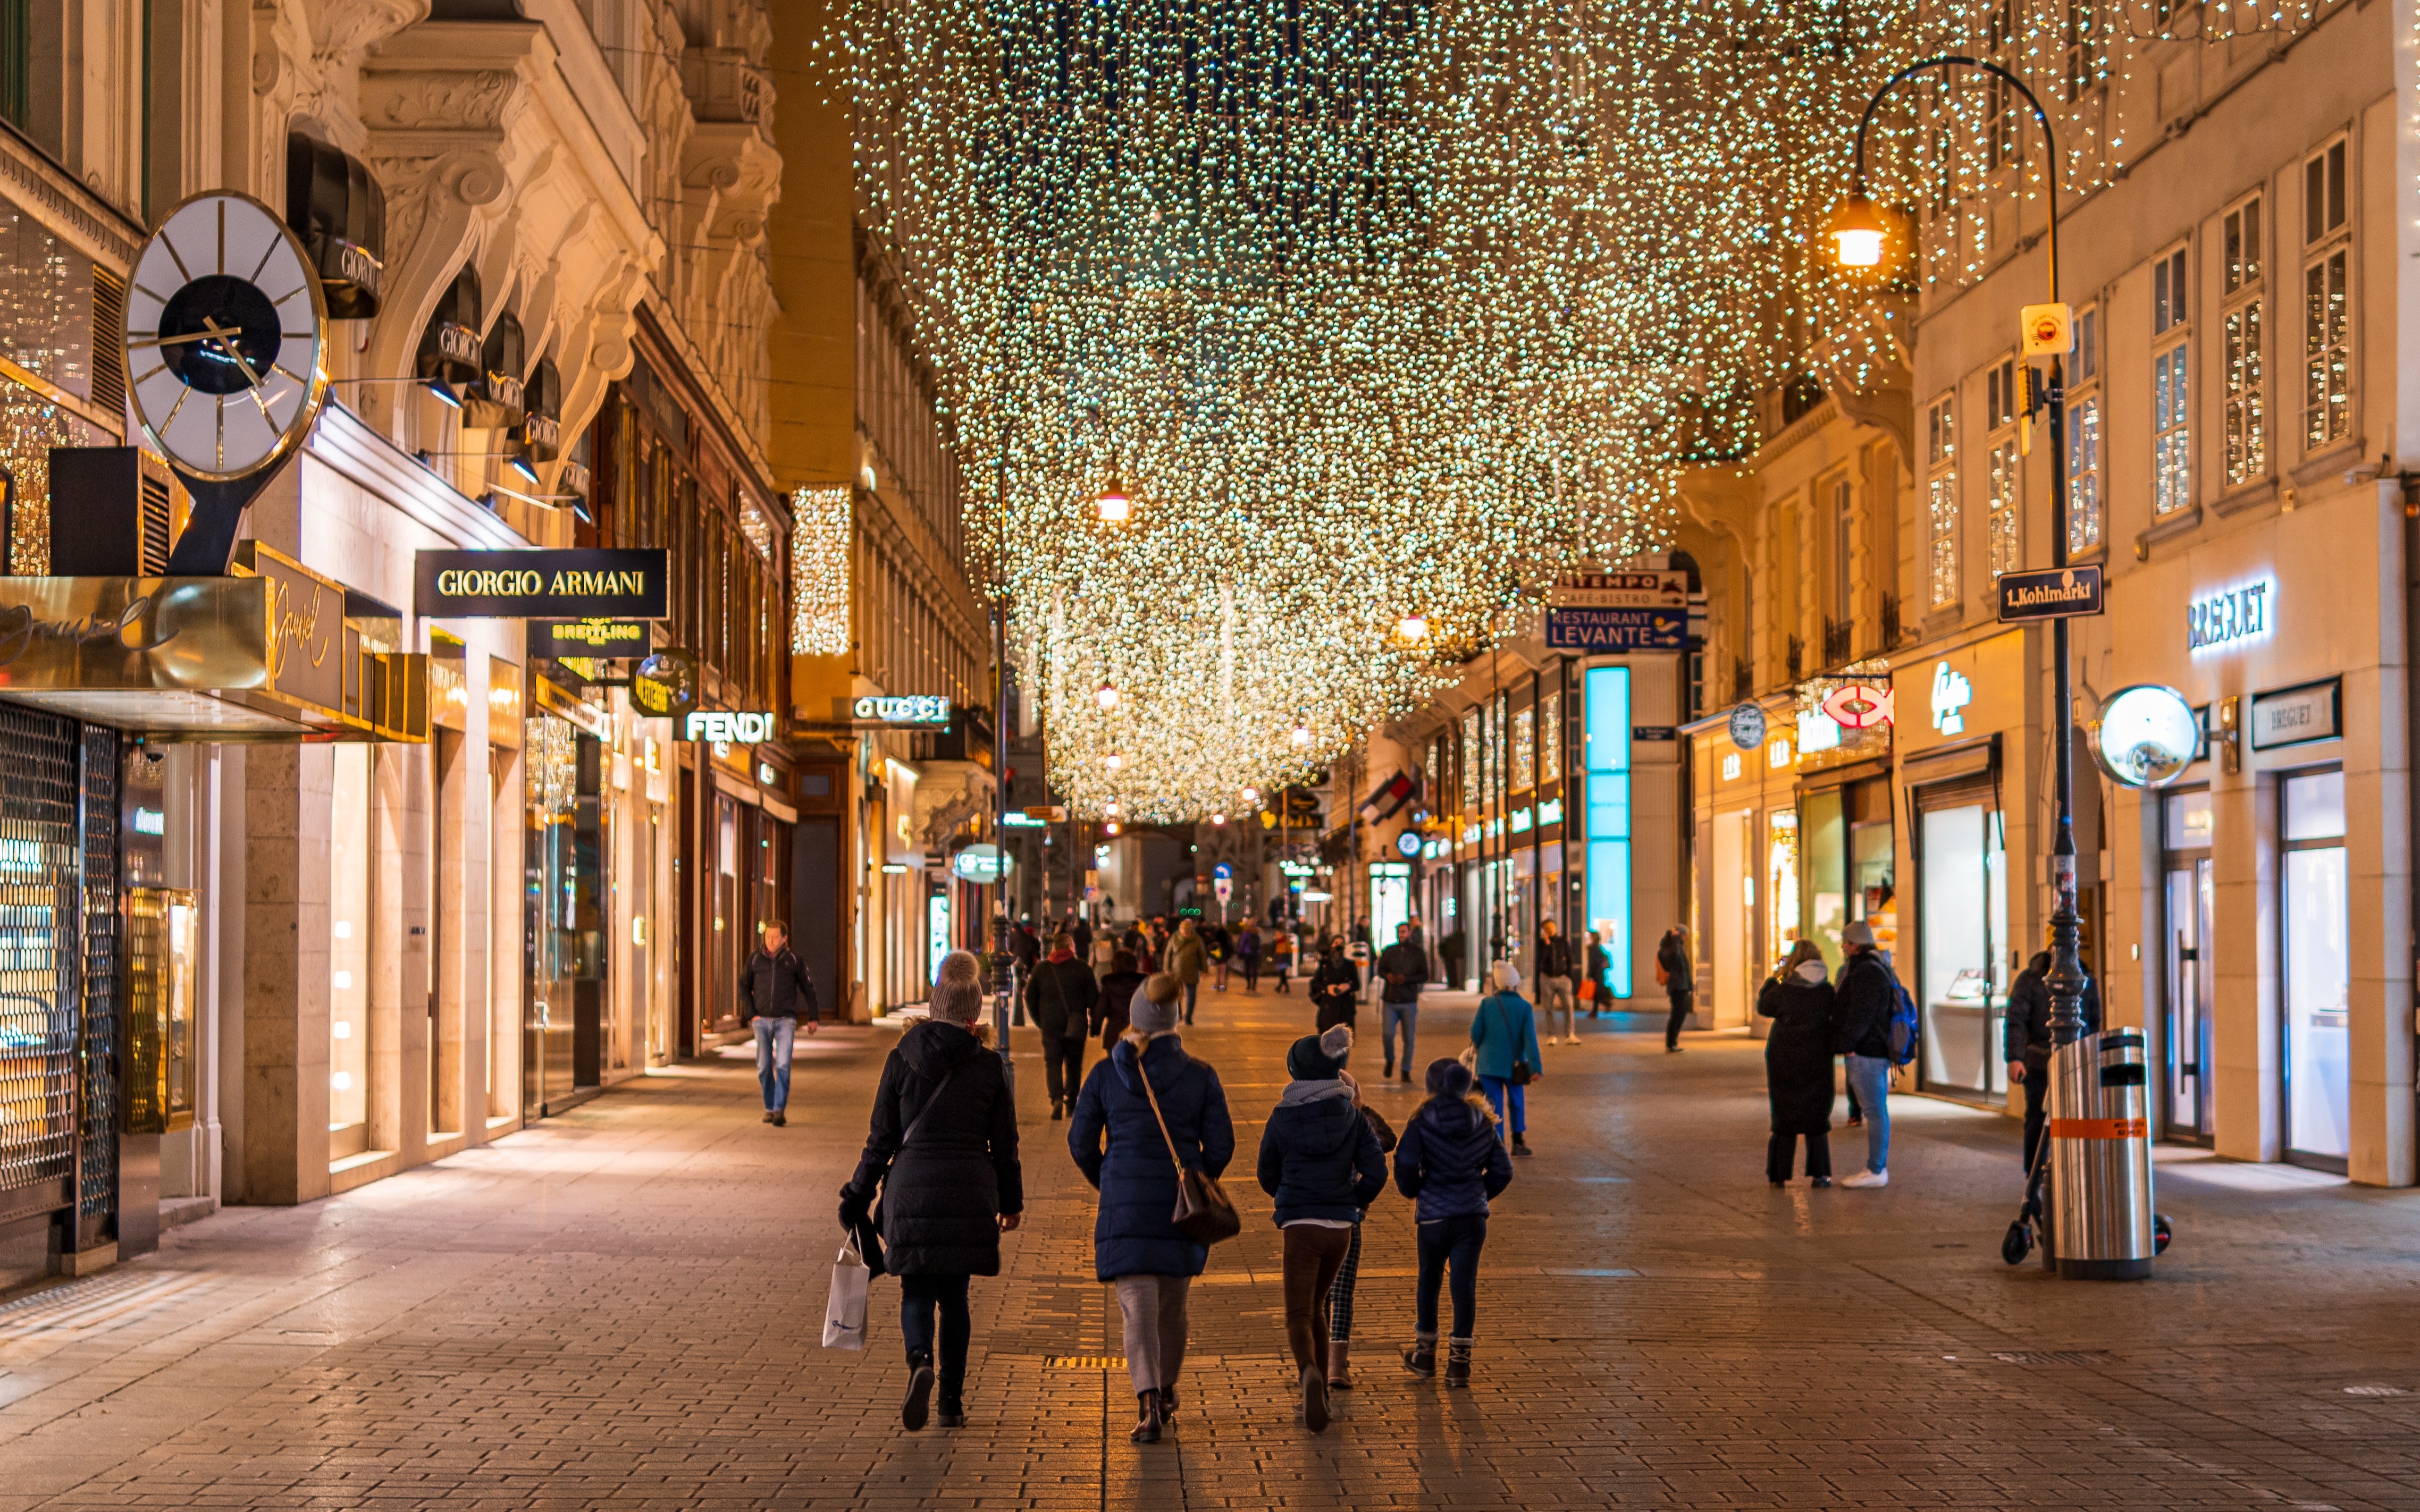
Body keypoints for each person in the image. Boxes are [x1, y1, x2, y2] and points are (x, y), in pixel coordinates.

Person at [839, 951, 1022, 1432]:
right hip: (968, 1192)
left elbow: (880, 1138)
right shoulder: (989, 1067)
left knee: (916, 1288)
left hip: (912, 1192)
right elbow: (1005, 1144)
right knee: (955, 1298)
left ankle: (919, 1358)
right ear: (974, 1012)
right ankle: (951, 1404)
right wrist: (1012, 1202)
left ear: (934, 1003)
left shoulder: (902, 1057)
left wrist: (857, 1192)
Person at [1069, 973, 1235, 1445]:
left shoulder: (1105, 1073)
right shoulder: (1201, 1075)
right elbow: (1222, 1143)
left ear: (1135, 1019)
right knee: (1173, 1307)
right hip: (1181, 1208)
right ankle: (1165, 1390)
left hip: (1125, 1202)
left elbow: (1080, 1142)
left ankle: (1146, 1405)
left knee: (1136, 1307)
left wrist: (1108, 1177)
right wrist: (1198, 1175)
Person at [1255, 1027, 1387, 1433]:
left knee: (1299, 1311)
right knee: (1318, 1303)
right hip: (1340, 1228)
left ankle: (1310, 1373)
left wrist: (1288, 1194)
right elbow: (1378, 1169)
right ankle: (1324, 1389)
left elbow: (1265, 1173)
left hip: (1300, 1226)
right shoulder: (1352, 1115)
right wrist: (1356, 1200)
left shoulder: (1282, 1116)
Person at [1393, 1057, 1514, 1388]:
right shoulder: (1483, 1122)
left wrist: (1416, 1191)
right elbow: (1503, 1170)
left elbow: (1406, 1165)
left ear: (1430, 1086)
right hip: (1472, 1219)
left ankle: (1425, 1356)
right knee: (1464, 1284)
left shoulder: (1420, 1122)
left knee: (1429, 1279)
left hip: (1434, 1217)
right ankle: (1459, 1365)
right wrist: (1478, 1196)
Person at [2005, 948, 2104, 1171]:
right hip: (2039, 1062)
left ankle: (2071, 1172)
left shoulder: (2087, 980)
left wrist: (2094, 1059)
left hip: (2076, 1062)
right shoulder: (2031, 979)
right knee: (2038, 1120)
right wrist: (2015, 1058)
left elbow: (2094, 1023)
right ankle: (2034, 1176)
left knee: (2075, 1120)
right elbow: (2016, 1021)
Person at [1759, 940, 1837, 1187]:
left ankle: (1779, 1174)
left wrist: (1775, 976)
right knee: (1816, 1114)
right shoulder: (1826, 991)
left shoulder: (1785, 989)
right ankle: (1820, 1174)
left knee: (1785, 1114)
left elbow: (1764, 1006)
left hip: (1785, 1056)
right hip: (1818, 1057)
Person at [1832, 920, 1898, 1188]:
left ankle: (1876, 1169)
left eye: (1846, 943)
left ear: (1854, 945)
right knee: (1875, 1109)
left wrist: (1847, 1044)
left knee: (1874, 1110)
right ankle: (1876, 1168)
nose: (1843, 948)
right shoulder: (1876, 966)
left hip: (1867, 1051)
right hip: (1870, 1049)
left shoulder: (1866, 972)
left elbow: (1861, 1014)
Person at [739, 922, 817, 1126]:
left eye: (775, 937)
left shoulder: (793, 960)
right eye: (767, 937)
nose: (771, 941)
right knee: (764, 1066)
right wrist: (751, 1014)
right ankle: (769, 1106)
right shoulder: (755, 959)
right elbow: (743, 985)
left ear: (784, 939)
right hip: (761, 1020)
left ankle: (779, 1110)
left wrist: (813, 1017)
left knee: (783, 1065)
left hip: (785, 1021)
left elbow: (808, 988)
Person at [1022, 932, 1101, 1120]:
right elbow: (1093, 999)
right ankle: (1071, 1102)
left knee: (1053, 1062)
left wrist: (1040, 1019)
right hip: (1076, 1024)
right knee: (1074, 1064)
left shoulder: (1042, 969)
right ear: (1071, 947)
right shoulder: (1083, 969)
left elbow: (1030, 996)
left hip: (1050, 1024)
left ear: (1054, 948)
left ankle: (1056, 1098)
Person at [1468, 961, 1543, 1156]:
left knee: (1493, 1103)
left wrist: (1480, 1045)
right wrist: (1536, 1067)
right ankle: (1518, 1142)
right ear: (1516, 983)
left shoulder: (1486, 1004)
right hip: (1514, 1065)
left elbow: (1475, 1033)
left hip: (1488, 1064)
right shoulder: (1524, 1007)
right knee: (1516, 1101)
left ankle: (1498, 1142)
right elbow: (1530, 1040)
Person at [1374, 922, 1426, 1082]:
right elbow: (1381, 969)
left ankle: (1406, 1069)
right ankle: (1390, 1059)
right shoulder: (1390, 951)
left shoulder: (1417, 953)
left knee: (1409, 1038)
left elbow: (1424, 975)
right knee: (1387, 1034)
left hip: (1409, 1000)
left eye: (1404, 932)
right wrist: (1388, 976)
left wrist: (1407, 979)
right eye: (1399, 932)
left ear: (1410, 932)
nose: (1401, 935)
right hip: (1391, 999)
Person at [1534, 919, 1577, 1045]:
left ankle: (1570, 1035)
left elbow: (1570, 958)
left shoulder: (1562, 941)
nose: (1550, 929)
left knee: (1568, 1007)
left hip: (1562, 978)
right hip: (1547, 978)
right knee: (1548, 1008)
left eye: (1551, 927)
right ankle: (1552, 1036)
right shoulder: (1542, 943)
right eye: (1547, 928)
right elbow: (1540, 960)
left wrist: (1569, 976)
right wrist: (1547, 944)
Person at [1097, 948, 1148, 1050]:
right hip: (1138, 1033)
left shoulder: (1108, 984)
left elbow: (1100, 1008)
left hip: (1114, 1033)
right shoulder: (1144, 984)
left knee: (1114, 1064)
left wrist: (1096, 1028)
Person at [1310, 936, 1361, 1033]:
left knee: (1343, 1042)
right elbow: (1315, 983)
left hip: (1345, 1009)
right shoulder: (1324, 964)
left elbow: (1357, 984)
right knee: (1326, 1040)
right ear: (1331, 945)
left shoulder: (1349, 964)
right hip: (1328, 1008)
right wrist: (1327, 988)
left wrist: (1348, 986)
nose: (1339, 945)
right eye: (1336, 943)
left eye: (1342, 943)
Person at [1657, 925, 1695, 1051]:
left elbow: (1685, 968)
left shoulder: (1677, 946)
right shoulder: (1672, 946)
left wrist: (1689, 986)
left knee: (1680, 1013)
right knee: (1678, 1013)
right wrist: (1676, 940)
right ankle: (1671, 1043)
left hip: (1681, 985)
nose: (1686, 939)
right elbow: (1675, 960)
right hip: (1677, 986)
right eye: (1684, 936)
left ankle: (1672, 1042)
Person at [1167, 920, 1207, 1024]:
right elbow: (1168, 954)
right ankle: (1178, 1015)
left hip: (1192, 970)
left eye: (1188, 930)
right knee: (1177, 995)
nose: (1186, 932)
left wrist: (1204, 970)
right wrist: (1167, 970)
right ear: (1180, 930)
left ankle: (1188, 1016)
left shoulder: (1197, 939)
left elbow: (1202, 955)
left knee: (1192, 995)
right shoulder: (1174, 938)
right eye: (1184, 930)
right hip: (1177, 971)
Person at [1584, 929, 1614, 1019]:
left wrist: (1590, 973)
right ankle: (1597, 1009)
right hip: (1600, 973)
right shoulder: (1598, 947)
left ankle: (1604, 1004)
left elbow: (1593, 962)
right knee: (1597, 993)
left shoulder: (1594, 948)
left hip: (1597, 974)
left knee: (1597, 993)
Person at [1236, 924, 1263, 992]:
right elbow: (1260, 944)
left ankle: (1248, 985)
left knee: (1247, 969)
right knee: (1255, 969)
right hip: (1256, 953)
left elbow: (1242, 944)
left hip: (1247, 953)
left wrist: (1240, 953)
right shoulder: (1258, 933)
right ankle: (1253, 985)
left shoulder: (1246, 934)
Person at [1270, 925, 1296, 993]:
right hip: (1279, 958)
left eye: (1278, 934)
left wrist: (1289, 960)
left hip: (1284, 958)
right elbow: (1273, 949)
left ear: (1282, 934)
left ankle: (1280, 987)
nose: (1277, 935)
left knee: (1282, 974)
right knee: (1282, 974)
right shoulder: (1277, 942)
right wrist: (1274, 941)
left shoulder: (1285, 941)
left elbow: (1290, 951)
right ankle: (1284, 988)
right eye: (1276, 934)